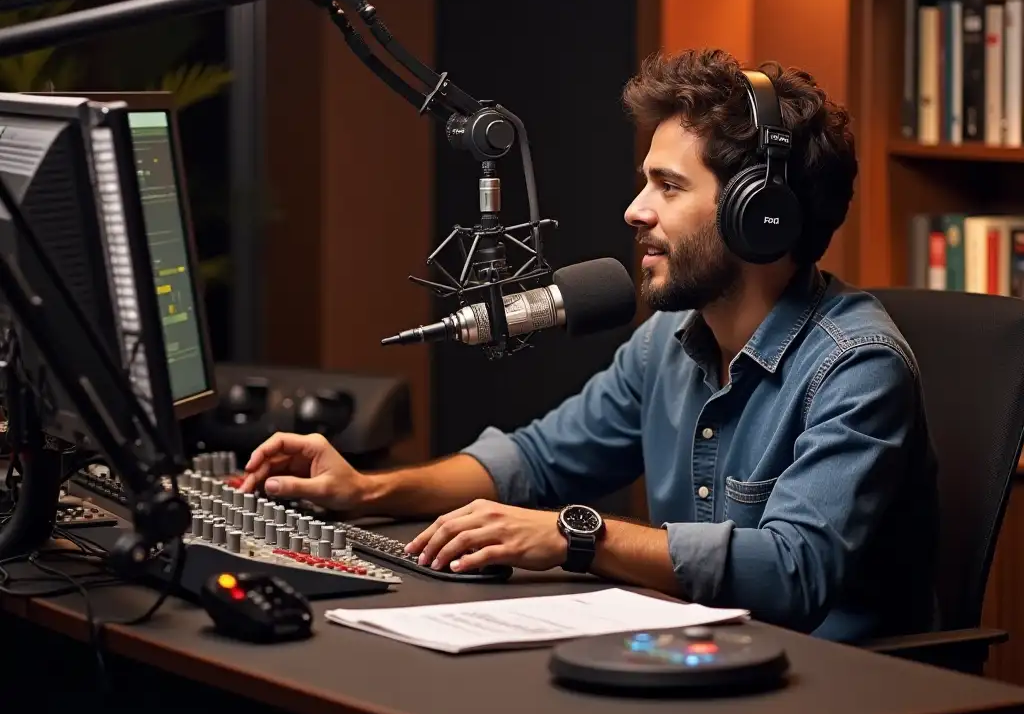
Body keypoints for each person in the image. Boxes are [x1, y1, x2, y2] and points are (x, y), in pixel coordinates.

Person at [242, 48, 939, 642]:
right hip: (703, 664)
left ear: (759, 215)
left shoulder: (856, 367)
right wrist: (366, 490)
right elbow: (535, 461)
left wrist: (579, 536)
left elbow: (793, 570)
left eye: (668, 186)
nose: (635, 211)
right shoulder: (666, 342)